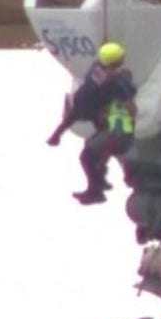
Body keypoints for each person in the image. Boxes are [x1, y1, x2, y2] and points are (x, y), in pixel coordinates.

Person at [48, 41, 136, 205]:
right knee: (94, 152)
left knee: (87, 156)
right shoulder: (113, 79)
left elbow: (130, 111)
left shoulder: (99, 70)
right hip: (96, 115)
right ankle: (99, 183)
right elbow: (130, 108)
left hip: (112, 127)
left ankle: (96, 191)